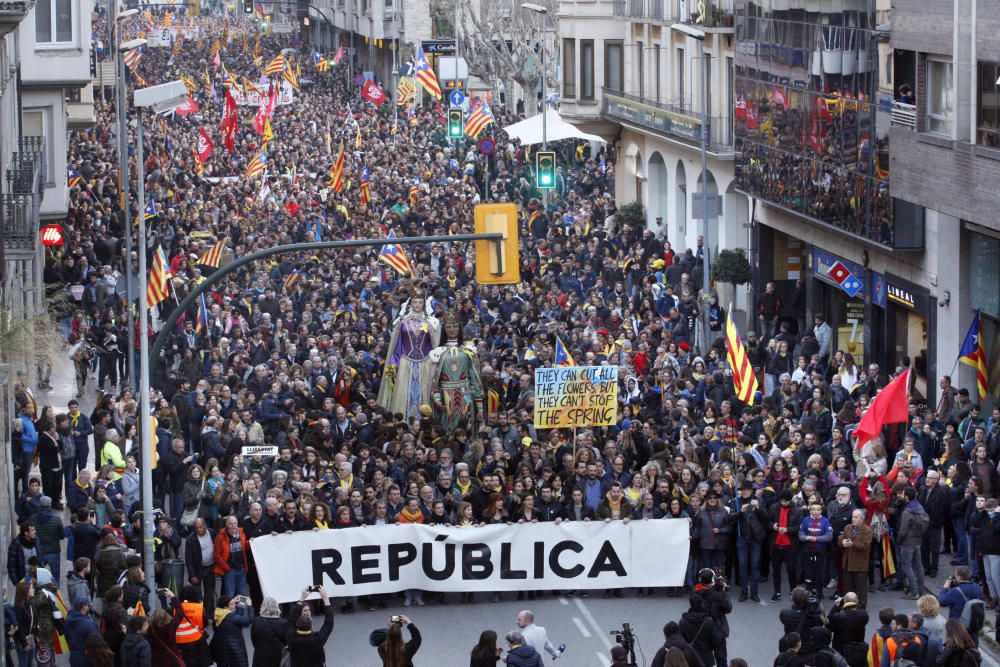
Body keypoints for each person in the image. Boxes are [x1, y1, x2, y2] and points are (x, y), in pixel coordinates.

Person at [286, 586, 334, 667]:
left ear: (297, 624)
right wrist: (326, 599)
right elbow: (329, 623)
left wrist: (301, 598)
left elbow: (291, 619)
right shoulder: (317, 639)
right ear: (311, 623)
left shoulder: (291, 637)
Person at [837, 509, 873, 608]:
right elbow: (840, 539)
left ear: (862, 518)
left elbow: (865, 545)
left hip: (860, 564)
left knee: (861, 588)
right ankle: (847, 605)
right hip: (847, 562)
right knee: (847, 587)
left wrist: (852, 544)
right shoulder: (847, 528)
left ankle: (861, 606)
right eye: (853, 517)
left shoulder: (867, 530)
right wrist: (842, 542)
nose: (853, 519)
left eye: (856, 517)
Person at [826, 593, 869, 666]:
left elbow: (828, 623)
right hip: (859, 649)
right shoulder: (864, 615)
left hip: (841, 650)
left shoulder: (839, 617)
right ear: (857, 601)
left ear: (845, 601)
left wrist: (836, 607)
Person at [210, 595, 253, 667]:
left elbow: (238, 615)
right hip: (234, 650)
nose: (234, 605)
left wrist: (237, 601)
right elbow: (249, 620)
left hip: (221, 649)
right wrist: (249, 605)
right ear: (226, 607)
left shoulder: (217, 613)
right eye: (232, 604)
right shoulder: (232, 617)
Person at [250, 597, 287, 667]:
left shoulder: (257, 621)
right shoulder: (283, 623)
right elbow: (286, 642)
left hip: (260, 657)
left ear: (263, 607)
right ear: (277, 607)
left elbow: (254, 640)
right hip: (277, 657)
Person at [65, 598, 99, 667]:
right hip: (86, 658)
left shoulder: (68, 620)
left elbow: (67, 637)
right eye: (87, 605)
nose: (89, 606)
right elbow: (97, 641)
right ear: (83, 607)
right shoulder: (88, 623)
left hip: (74, 657)